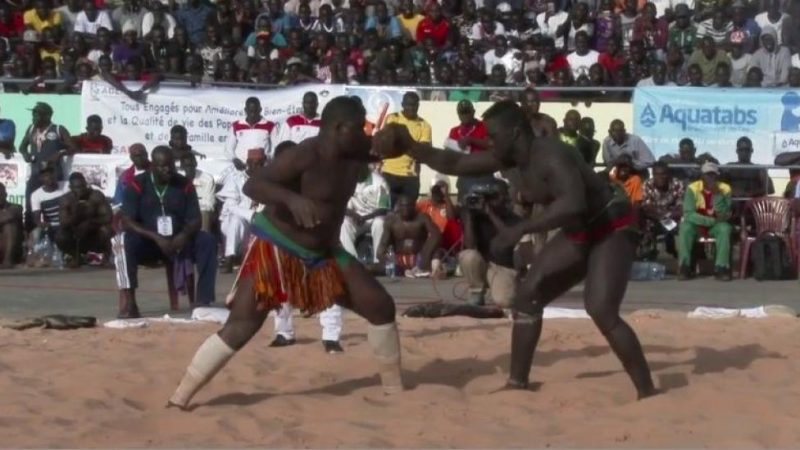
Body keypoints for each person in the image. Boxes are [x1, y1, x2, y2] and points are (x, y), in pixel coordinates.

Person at [376, 100, 657, 399]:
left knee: (600, 308)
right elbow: (455, 163)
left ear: (515, 133)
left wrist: (520, 229)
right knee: (527, 298)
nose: (489, 141)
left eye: (494, 135)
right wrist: (410, 146)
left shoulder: (551, 154)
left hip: (611, 225)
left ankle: (647, 392)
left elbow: (573, 203)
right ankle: (517, 384)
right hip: (579, 230)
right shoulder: (508, 158)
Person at [167, 97, 404, 410]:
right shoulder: (304, 155)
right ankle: (180, 397)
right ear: (338, 128)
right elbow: (254, 185)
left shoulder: (356, 151)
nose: (364, 131)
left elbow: (388, 146)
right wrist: (292, 200)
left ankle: (396, 391)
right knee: (241, 327)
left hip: (325, 253)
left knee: (381, 307)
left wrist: (401, 141)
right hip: (277, 249)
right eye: (359, 125)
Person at [114, 146, 218, 318]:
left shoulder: (184, 185)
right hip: (149, 243)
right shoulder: (137, 184)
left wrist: (183, 236)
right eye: (162, 166)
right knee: (122, 241)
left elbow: (195, 219)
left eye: (170, 165)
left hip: (179, 241)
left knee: (206, 240)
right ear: (153, 166)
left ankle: (203, 300)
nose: (167, 169)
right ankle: (130, 301)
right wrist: (156, 237)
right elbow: (127, 221)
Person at [458, 179, 521, 306]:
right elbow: (470, 246)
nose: (490, 202)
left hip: (503, 267)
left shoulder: (514, 219)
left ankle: (501, 288)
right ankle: (476, 292)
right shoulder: (477, 218)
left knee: (505, 301)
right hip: (482, 264)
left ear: (505, 198)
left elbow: (508, 238)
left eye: (494, 198)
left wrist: (490, 213)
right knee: (468, 256)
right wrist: (469, 216)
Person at [18, 102, 76, 228]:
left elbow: (73, 147)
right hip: (36, 175)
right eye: (33, 115)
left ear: (47, 116)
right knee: (30, 207)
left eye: (36, 115)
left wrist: (60, 153)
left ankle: (60, 233)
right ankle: (31, 237)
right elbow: (22, 146)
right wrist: (25, 154)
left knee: (59, 206)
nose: (33, 118)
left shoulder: (59, 129)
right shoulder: (31, 129)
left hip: (54, 175)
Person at [677, 162, 732, 281]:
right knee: (685, 228)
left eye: (713, 175)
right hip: (697, 223)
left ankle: (721, 268)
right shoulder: (692, 188)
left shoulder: (725, 189)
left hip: (716, 224)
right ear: (702, 176)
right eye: (707, 175)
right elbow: (689, 214)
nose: (710, 178)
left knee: (725, 228)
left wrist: (717, 195)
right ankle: (684, 267)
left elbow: (725, 212)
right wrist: (711, 221)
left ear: (717, 176)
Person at [216, 148, 267, 274]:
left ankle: (246, 258)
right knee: (236, 219)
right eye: (255, 164)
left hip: (258, 223)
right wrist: (251, 215)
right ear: (248, 163)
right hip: (234, 225)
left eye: (261, 164)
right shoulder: (236, 179)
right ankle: (229, 258)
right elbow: (231, 207)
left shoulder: (268, 180)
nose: (259, 167)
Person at [381, 92, 432, 205]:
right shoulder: (393, 118)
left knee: (408, 213)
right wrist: (411, 146)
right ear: (402, 104)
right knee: (387, 210)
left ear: (418, 105)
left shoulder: (424, 125)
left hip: (410, 176)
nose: (412, 108)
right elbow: (388, 144)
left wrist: (401, 145)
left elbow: (422, 152)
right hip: (389, 173)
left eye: (415, 105)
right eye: (409, 104)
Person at [56, 172, 113, 268]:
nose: (81, 190)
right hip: (75, 234)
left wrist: (90, 222)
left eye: (83, 186)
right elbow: (63, 223)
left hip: (94, 232)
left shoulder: (96, 196)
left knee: (107, 230)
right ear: (71, 187)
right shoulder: (66, 199)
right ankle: (77, 257)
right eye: (77, 187)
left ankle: (106, 258)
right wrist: (76, 215)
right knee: (60, 236)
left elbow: (108, 217)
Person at [378, 195, 442, 278]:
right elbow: (382, 247)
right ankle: (404, 271)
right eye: (403, 206)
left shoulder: (422, 218)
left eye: (409, 205)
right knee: (372, 268)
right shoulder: (391, 221)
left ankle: (435, 271)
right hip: (399, 259)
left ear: (414, 206)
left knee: (437, 252)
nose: (406, 208)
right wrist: (390, 262)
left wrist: (425, 255)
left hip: (420, 258)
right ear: (398, 207)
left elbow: (436, 235)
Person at [340, 162, 390, 262]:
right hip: (357, 217)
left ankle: (378, 261)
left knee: (379, 223)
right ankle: (352, 261)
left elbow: (383, 209)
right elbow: (343, 207)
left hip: (374, 217)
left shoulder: (379, 182)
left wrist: (365, 217)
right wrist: (355, 215)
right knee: (344, 223)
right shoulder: (348, 181)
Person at [443, 100, 493, 202]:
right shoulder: (455, 131)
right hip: (464, 176)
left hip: (483, 174)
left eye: (467, 112)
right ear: (458, 114)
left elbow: (491, 144)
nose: (465, 115)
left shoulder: (484, 126)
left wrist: (471, 140)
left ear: (473, 112)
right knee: (464, 210)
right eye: (462, 113)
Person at [416, 177, 462, 276]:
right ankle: (435, 270)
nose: (439, 190)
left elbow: (452, 218)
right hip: (426, 240)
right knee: (435, 248)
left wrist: (446, 196)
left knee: (437, 248)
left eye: (442, 188)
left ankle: (430, 269)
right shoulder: (424, 205)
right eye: (437, 187)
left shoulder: (448, 206)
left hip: (443, 241)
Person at [640, 161, 684, 259]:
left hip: (672, 219)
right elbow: (647, 208)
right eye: (657, 174)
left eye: (663, 174)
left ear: (668, 174)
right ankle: (647, 255)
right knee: (644, 224)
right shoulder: (647, 184)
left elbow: (681, 208)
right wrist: (663, 215)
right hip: (653, 219)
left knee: (679, 226)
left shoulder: (677, 184)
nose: (660, 177)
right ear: (653, 174)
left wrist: (666, 214)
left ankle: (679, 257)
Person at [225, 97, 277, 171]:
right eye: (250, 111)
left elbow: (276, 147)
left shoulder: (270, 125)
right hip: (241, 168)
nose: (252, 114)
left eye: (255, 111)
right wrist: (235, 159)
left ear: (260, 110)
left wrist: (267, 158)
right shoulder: (236, 125)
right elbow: (228, 149)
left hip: (262, 168)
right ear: (245, 110)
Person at [29, 163, 69, 257]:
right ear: (41, 178)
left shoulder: (67, 186)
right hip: (50, 226)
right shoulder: (36, 195)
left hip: (67, 224)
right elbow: (36, 218)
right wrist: (40, 224)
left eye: (51, 173)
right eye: (45, 175)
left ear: (55, 174)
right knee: (34, 235)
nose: (49, 177)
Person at [179, 153, 215, 232]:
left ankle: (204, 237)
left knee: (205, 212)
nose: (189, 168)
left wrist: (194, 209)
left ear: (196, 164)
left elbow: (209, 204)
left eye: (191, 165)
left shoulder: (207, 178)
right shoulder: (177, 178)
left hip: (200, 210)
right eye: (186, 166)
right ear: (182, 166)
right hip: (181, 209)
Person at [113, 143, 149, 208]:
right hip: (130, 211)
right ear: (131, 157)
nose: (140, 158)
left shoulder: (156, 172)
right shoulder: (124, 176)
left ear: (146, 155)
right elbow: (118, 199)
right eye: (136, 156)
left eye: (142, 155)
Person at [0, 182, 22, 268]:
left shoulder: (16, 207)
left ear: (6, 194)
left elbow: (11, 215)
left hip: (11, 249)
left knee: (9, 226)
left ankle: (7, 260)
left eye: (0, 194)